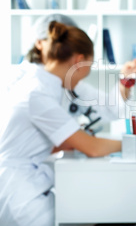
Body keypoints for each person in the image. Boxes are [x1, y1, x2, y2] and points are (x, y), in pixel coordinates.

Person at [0, 22, 122, 225]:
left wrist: (75, 137)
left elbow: (46, 142)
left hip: (25, 183)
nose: (86, 75)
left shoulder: (43, 87)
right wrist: (135, 144)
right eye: (89, 68)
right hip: (18, 193)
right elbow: (93, 148)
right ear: (79, 60)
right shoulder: (37, 93)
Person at [14, 14, 136, 127]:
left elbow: (111, 109)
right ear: (38, 43)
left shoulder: (71, 83)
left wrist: (126, 79)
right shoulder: (22, 82)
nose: (60, 47)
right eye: (56, 40)